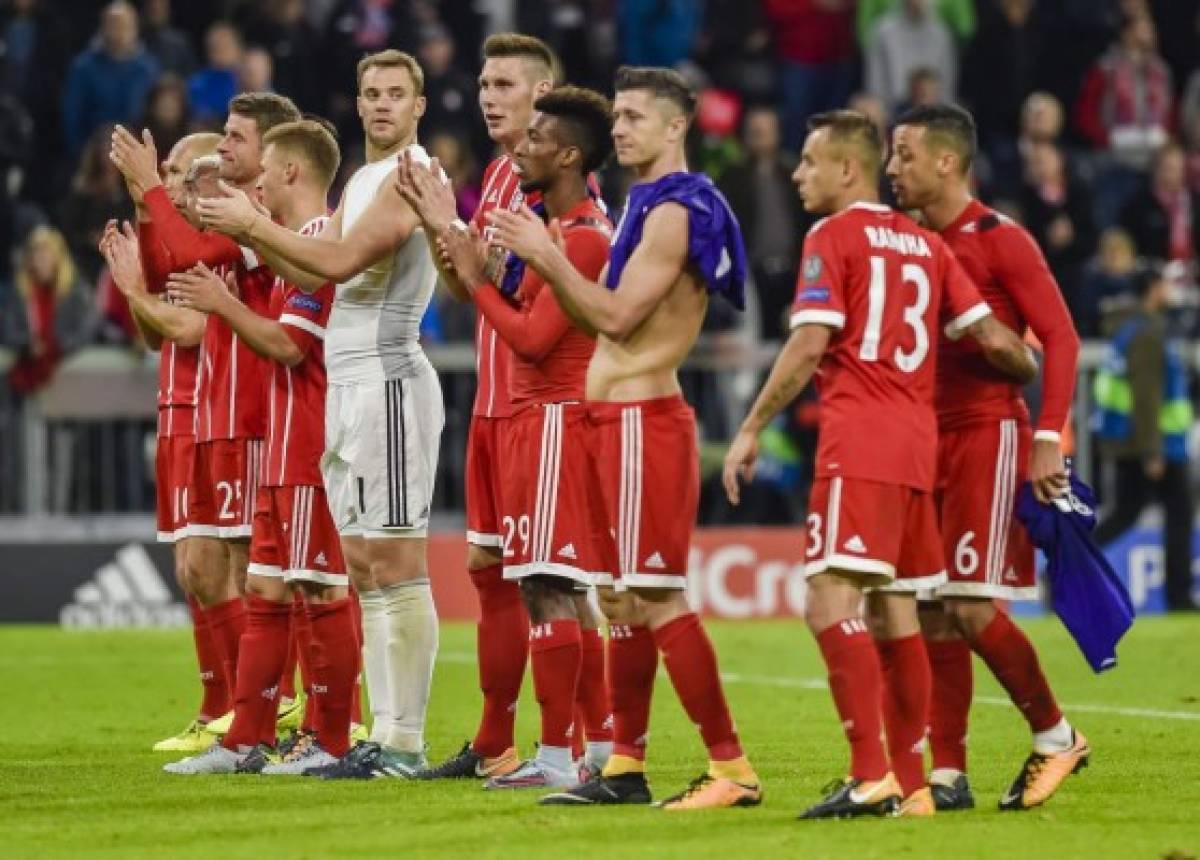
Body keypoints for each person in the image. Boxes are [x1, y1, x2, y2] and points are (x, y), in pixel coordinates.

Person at [723, 109, 1036, 820]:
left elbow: (807, 345)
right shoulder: (927, 244)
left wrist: (750, 427)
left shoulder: (832, 235)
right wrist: (1032, 364)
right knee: (896, 611)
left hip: (859, 441)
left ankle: (871, 775)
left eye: (808, 161)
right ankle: (913, 783)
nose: (799, 173)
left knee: (827, 600)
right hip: (919, 447)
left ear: (846, 169)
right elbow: (991, 336)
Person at [489, 66, 761, 811]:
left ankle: (730, 766)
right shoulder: (649, 204)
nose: (622, 129)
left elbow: (615, 319)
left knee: (657, 597)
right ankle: (624, 768)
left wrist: (544, 256)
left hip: (645, 419)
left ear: (677, 127)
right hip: (612, 422)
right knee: (621, 602)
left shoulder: (675, 210)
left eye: (637, 117)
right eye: (620, 118)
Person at [196, 50, 443, 780]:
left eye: (396, 94)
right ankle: (384, 738)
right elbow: (314, 264)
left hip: (391, 376)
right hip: (350, 384)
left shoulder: (411, 174)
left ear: (420, 106)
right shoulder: (366, 179)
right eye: (370, 93)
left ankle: (404, 740)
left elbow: (339, 263)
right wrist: (258, 234)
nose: (381, 106)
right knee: (366, 566)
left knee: (395, 563)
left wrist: (250, 223)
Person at [887, 103, 1089, 812]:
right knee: (935, 609)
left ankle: (1055, 734)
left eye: (904, 154)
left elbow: (1060, 339)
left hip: (986, 432)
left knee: (972, 606)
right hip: (924, 439)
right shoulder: (906, 241)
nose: (892, 168)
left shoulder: (999, 238)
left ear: (946, 160)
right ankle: (949, 772)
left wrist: (1047, 437)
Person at [157, 119, 361, 774]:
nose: (257, 181)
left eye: (266, 170)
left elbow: (287, 344)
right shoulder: (285, 250)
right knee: (269, 592)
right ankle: (245, 738)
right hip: (279, 442)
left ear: (293, 173)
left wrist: (223, 303)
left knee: (319, 591)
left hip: (308, 443)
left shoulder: (315, 244)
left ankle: (333, 736)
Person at [433, 86, 615, 790]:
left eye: (536, 138)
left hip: (555, 420)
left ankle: (555, 756)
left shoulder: (587, 236)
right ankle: (590, 747)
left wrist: (477, 280)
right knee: (558, 585)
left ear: (568, 154)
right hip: (538, 420)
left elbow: (533, 341)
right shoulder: (559, 229)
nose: (521, 147)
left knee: (544, 584)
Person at [110, 91, 303, 748]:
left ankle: (284, 703)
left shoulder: (252, 222)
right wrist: (144, 208)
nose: (190, 180)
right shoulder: (220, 230)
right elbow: (168, 292)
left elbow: (188, 321)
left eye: (227, 144)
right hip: (207, 412)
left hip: (244, 411)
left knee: (259, 566)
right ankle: (233, 703)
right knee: (204, 565)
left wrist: (147, 201)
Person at [395, 34, 561, 783]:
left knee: (550, 580)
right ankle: (495, 739)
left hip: (537, 404)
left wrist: (458, 241)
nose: (488, 95)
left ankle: (573, 746)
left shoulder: (552, 179)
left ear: (542, 93)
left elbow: (520, 285)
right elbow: (469, 286)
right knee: (490, 571)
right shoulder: (496, 175)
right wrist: (440, 226)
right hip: (492, 404)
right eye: (485, 81)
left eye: (505, 83)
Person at [99, 132, 220, 753]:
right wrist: (137, 282)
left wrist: (132, 291)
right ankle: (216, 705)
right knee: (189, 571)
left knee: (221, 567)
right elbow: (157, 339)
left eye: (177, 168)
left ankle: (252, 706)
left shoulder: (212, 250)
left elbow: (192, 327)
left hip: (214, 415)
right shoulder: (174, 247)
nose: (168, 177)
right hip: (176, 413)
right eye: (165, 169)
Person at [1094, 265, 1195, 612]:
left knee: (1125, 513)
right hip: (1155, 445)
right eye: (1166, 283)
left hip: (1131, 442)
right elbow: (1147, 397)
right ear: (1153, 288)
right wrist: (1154, 452)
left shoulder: (1127, 330)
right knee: (1178, 514)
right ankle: (1179, 597)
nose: (1170, 290)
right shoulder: (1148, 334)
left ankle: (1066, 570)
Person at [61, 1, 160, 158]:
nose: (120, 32)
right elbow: (72, 116)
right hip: (93, 155)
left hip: (138, 157)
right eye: (114, 25)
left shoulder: (148, 69)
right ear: (103, 27)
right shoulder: (84, 67)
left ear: (136, 28)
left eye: (125, 26)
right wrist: (81, 153)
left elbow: (155, 118)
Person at [2, 226, 93, 394]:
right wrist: (27, 346)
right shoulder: (19, 292)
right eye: (37, 255)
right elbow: (7, 329)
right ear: (30, 259)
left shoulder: (76, 292)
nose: (42, 260)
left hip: (69, 375)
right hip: (25, 370)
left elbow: (87, 329)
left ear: (59, 258)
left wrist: (57, 345)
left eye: (47, 254)